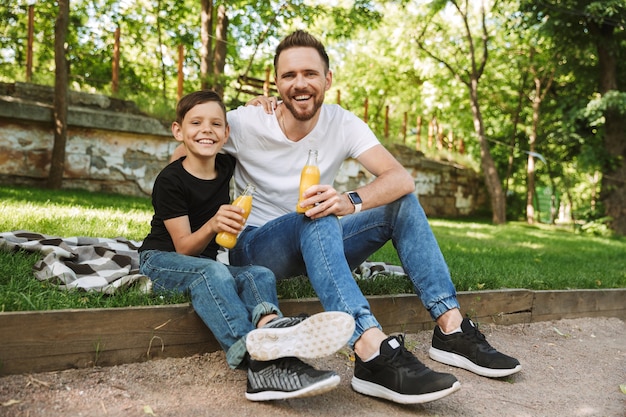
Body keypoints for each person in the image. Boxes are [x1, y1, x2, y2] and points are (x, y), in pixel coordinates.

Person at [172, 30, 521, 405]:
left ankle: (451, 329)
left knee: (398, 203)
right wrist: (209, 216)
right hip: (257, 246)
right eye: (288, 76)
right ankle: (371, 349)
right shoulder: (245, 121)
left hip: (320, 242)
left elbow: (401, 178)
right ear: (275, 82)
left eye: (310, 73)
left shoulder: (342, 123)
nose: (299, 83)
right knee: (317, 213)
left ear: (328, 79)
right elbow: (181, 158)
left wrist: (349, 200)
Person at [139, 90, 355, 402]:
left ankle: (272, 326)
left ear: (226, 133)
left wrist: (255, 106)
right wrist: (214, 224)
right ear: (178, 130)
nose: (206, 130)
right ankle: (255, 361)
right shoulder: (170, 181)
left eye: (216, 124)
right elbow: (184, 248)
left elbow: (260, 142)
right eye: (196, 123)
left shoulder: (225, 166)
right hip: (163, 259)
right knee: (213, 273)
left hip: (206, 262)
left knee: (259, 274)